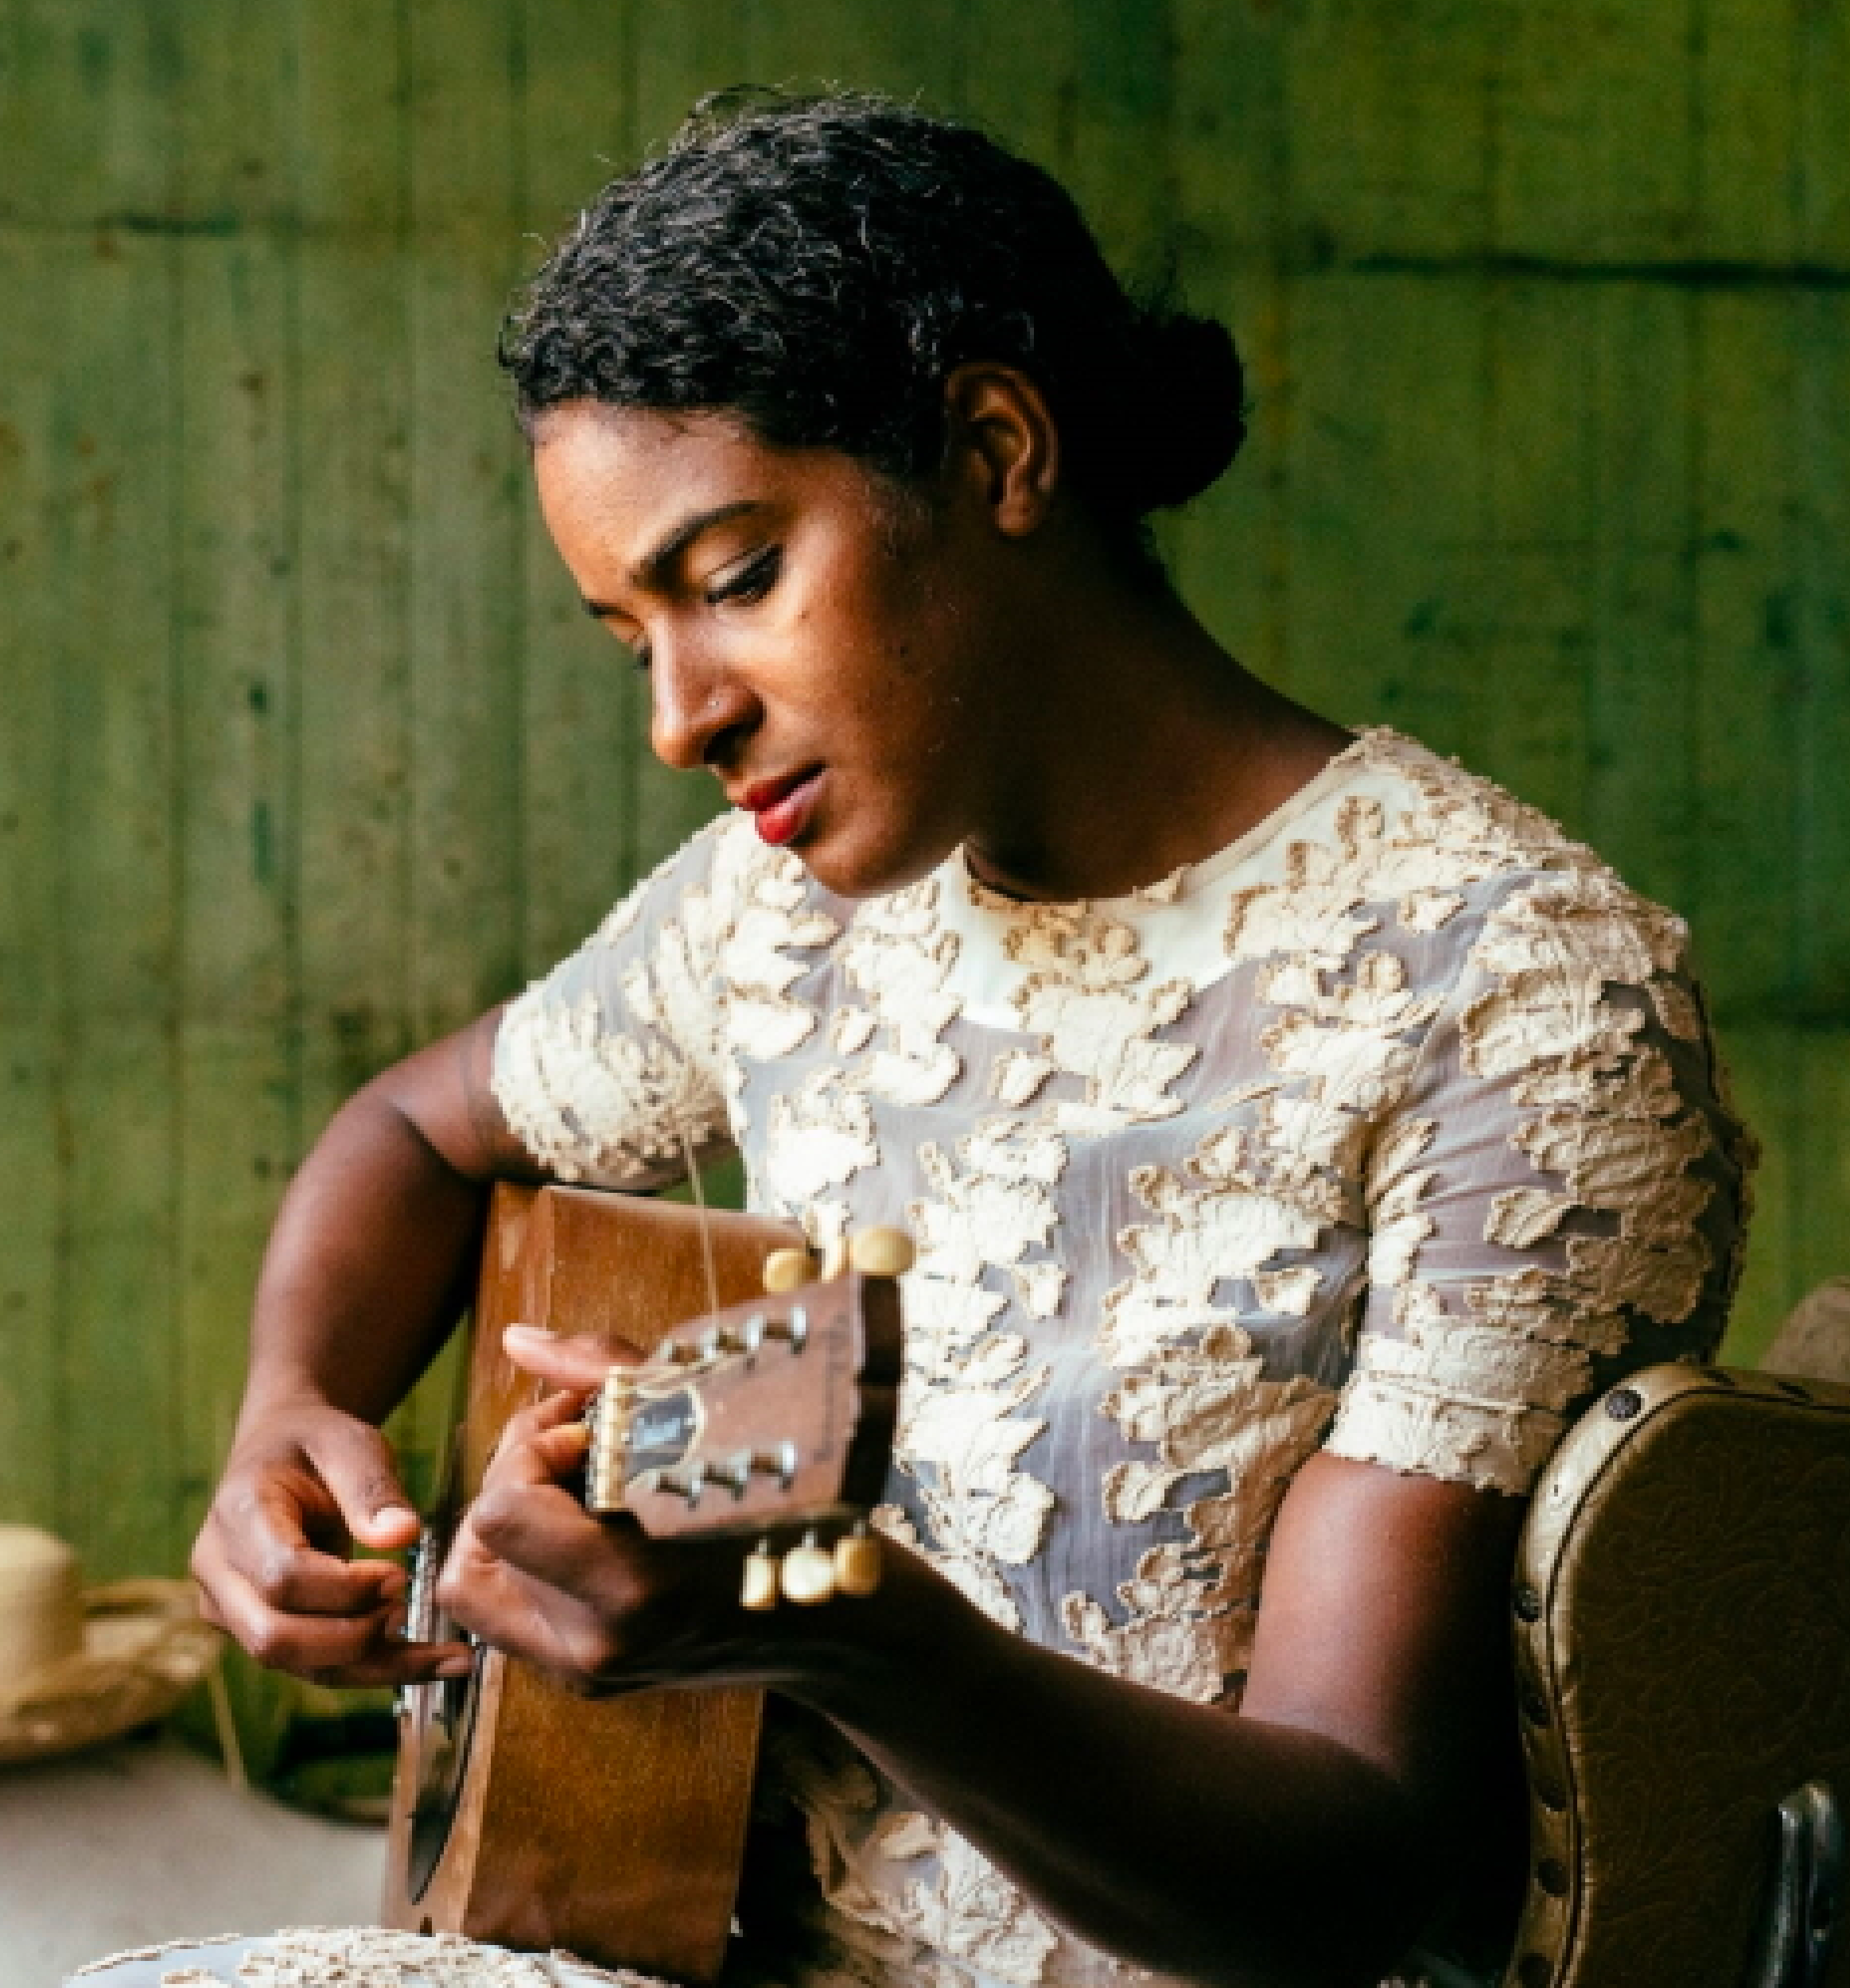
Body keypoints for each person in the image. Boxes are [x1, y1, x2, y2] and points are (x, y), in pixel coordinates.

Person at [74, 91, 1751, 1988]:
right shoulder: (781, 911)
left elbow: (1346, 1866)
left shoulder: (1505, 997)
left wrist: (825, 1615)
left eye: (729, 580)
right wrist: (295, 1404)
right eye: (632, 636)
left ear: (993, 448)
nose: (678, 718)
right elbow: (417, 1131)